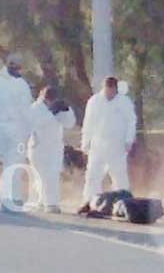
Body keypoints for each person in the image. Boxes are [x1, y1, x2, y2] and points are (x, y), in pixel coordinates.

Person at [79, 76, 137, 213]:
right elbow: (88, 123)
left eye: (111, 91)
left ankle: (123, 205)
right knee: (92, 175)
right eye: (107, 90)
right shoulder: (94, 101)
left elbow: (131, 122)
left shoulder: (124, 102)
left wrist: (129, 140)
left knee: (119, 175)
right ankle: (89, 202)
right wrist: (85, 143)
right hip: (98, 143)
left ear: (115, 89)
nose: (109, 94)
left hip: (117, 145)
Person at [0, 53, 34, 211]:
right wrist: (29, 131)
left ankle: (6, 198)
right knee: (15, 163)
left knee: (6, 163)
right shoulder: (20, 84)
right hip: (16, 127)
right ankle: (13, 199)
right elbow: (26, 110)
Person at [28, 86, 76, 214]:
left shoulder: (57, 108)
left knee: (52, 175)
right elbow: (37, 124)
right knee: (42, 176)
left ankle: (51, 203)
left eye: (52, 100)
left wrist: (67, 110)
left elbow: (69, 124)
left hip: (55, 147)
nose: (49, 102)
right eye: (47, 99)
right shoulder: (35, 108)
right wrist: (51, 113)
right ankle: (42, 201)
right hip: (38, 147)